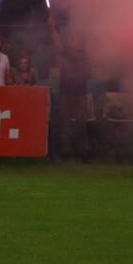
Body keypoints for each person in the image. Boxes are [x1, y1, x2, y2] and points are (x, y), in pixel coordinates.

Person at [48, 14, 91, 158]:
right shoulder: (65, 53)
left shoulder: (84, 55)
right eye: (70, 39)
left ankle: (83, 152)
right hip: (66, 93)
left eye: (74, 39)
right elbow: (57, 45)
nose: (71, 41)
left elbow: (88, 72)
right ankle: (65, 151)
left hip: (80, 94)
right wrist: (52, 29)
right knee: (65, 123)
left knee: (81, 124)